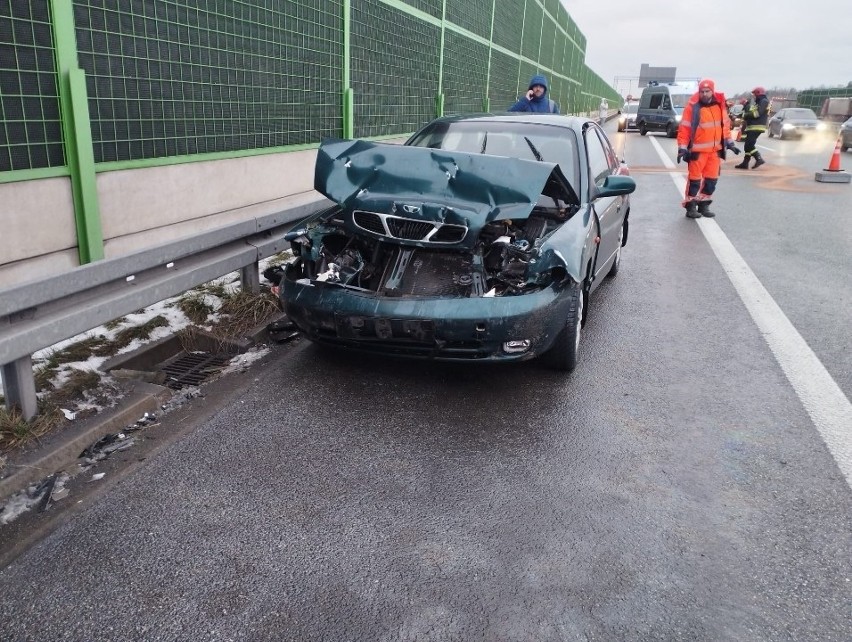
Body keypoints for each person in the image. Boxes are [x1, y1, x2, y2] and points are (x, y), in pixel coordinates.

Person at [676, 78, 741, 218]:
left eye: (707, 91)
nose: (704, 94)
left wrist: (730, 143)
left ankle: (704, 205)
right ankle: (690, 206)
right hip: (697, 152)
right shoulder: (693, 107)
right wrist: (682, 148)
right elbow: (685, 129)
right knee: (694, 181)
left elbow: (724, 127)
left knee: (711, 180)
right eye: (702, 91)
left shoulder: (719, 106)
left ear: (712, 91)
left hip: (714, 152)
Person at [735, 86, 769, 169]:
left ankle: (759, 158)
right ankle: (745, 163)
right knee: (747, 145)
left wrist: (745, 115)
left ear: (758, 93)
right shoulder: (758, 102)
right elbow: (752, 113)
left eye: (754, 94)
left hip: (757, 126)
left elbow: (757, 114)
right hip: (752, 126)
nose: (753, 96)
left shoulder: (763, 101)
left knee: (749, 145)